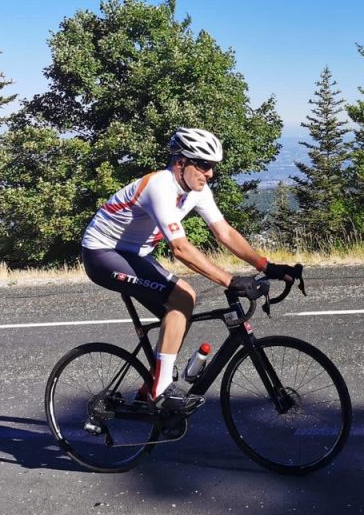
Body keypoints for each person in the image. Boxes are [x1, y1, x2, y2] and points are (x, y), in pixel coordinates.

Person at [80, 127, 293, 413]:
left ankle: (149, 390)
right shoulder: (160, 185)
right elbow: (180, 249)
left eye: (213, 167)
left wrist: (266, 265)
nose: (210, 174)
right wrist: (230, 280)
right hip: (102, 254)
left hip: (134, 254)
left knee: (181, 311)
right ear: (181, 163)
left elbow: (225, 233)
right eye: (204, 165)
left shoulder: (197, 191)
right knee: (183, 296)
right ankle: (160, 390)